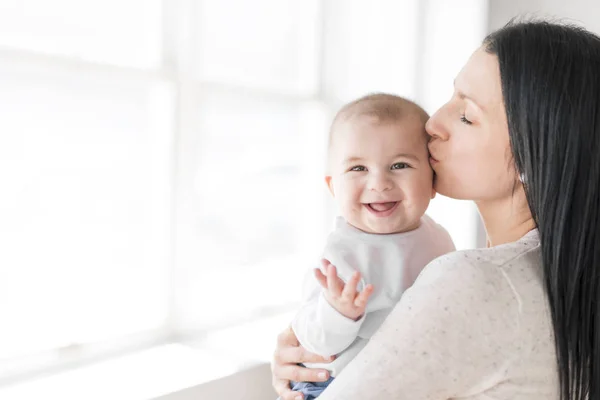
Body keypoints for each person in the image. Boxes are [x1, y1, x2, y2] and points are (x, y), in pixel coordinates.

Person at [271, 19, 600, 400]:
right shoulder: (556, 275)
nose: (433, 123)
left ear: (534, 155)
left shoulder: (477, 281)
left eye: (466, 116)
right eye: (451, 97)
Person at [283, 93, 455, 399]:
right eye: (358, 169)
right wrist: (339, 312)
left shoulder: (438, 239)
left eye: (399, 165)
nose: (379, 183)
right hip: (334, 383)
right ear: (333, 187)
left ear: (432, 181)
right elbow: (311, 339)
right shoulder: (341, 257)